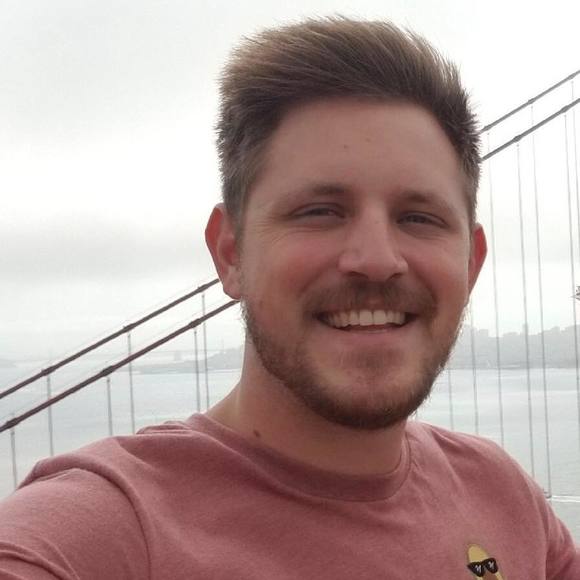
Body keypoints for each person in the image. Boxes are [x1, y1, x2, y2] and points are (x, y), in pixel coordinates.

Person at [0, 16, 578, 579]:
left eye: (418, 217)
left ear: (471, 264)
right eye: (320, 211)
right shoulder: (106, 529)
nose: (377, 258)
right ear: (230, 253)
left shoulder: (504, 496)